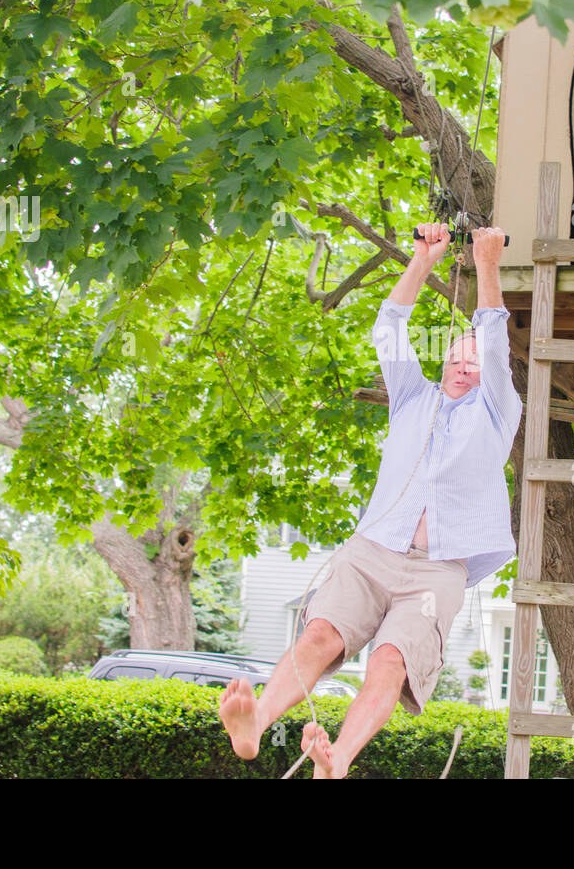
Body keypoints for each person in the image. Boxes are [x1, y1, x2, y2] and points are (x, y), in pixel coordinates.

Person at [218, 222, 523, 778]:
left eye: (472, 361)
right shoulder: (412, 398)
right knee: (321, 634)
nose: (462, 365)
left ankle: (337, 762)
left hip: (437, 571)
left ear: (489, 375)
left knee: (390, 660)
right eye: (454, 357)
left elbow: (495, 339)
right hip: (374, 548)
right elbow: (389, 329)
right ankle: (255, 724)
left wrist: (487, 265)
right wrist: (423, 261)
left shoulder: (497, 413)